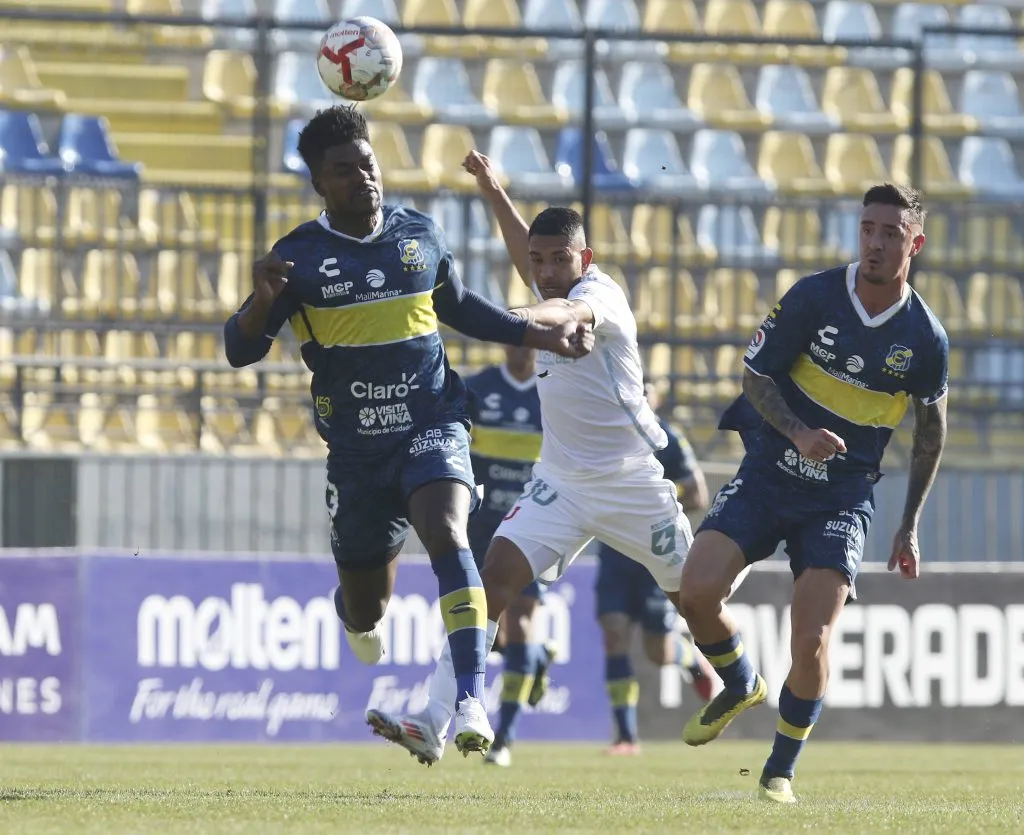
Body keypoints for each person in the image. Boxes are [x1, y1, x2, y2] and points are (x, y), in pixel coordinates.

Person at [222, 106, 593, 758]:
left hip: (433, 421)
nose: (364, 178)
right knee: (366, 608)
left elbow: (463, 310)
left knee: (449, 533)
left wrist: (540, 332)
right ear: (320, 185)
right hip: (358, 454)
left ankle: (469, 693)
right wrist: (259, 301)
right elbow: (239, 350)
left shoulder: (417, 234)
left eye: (368, 163)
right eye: (345, 170)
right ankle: (356, 614)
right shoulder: (297, 259)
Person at [365, 151, 748, 765]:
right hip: (560, 484)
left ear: (585, 259)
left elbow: (566, 312)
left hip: (631, 483)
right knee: (490, 583)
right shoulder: (546, 274)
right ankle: (434, 720)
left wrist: (513, 320)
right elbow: (527, 257)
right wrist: (494, 189)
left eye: (558, 259)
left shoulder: (601, 296)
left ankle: (746, 680)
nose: (544, 271)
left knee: (698, 603)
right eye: (538, 261)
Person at [677, 183, 949, 804]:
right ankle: (742, 680)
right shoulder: (815, 295)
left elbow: (931, 435)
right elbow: (754, 374)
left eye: (891, 233)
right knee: (695, 590)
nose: (876, 243)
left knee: (813, 639)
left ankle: (780, 771)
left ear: (916, 243)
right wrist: (797, 431)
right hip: (769, 476)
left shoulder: (926, 339)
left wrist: (908, 527)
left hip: (840, 501)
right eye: (868, 229)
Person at [596, 378, 715, 756]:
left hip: (654, 553)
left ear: (656, 399)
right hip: (615, 553)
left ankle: (691, 659)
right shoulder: (607, 437)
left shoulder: (669, 439)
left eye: (646, 393)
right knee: (613, 634)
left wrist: (655, 493)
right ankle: (626, 736)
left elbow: (698, 495)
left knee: (658, 652)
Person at [464, 346, 555, 768]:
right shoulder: (478, 389)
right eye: (514, 337)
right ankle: (536, 659)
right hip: (481, 524)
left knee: (519, 619)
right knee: (490, 629)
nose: (522, 346)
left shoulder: (554, 390)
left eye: (530, 339)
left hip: (534, 522)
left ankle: (505, 738)